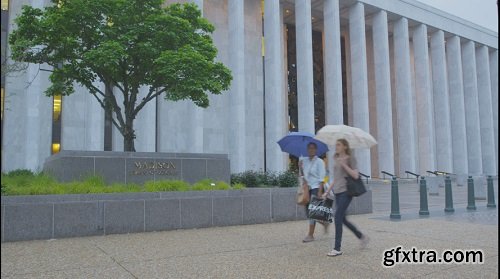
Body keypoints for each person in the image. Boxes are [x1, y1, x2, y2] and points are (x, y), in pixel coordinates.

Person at [322, 139, 369, 256]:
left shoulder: (350, 159)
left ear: (344, 146)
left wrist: (344, 164)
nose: (336, 146)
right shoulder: (336, 159)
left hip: (346, 192)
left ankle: (337, 248)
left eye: (338, 144)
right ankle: (362, 237)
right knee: (343, 219)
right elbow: (336, 178)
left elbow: (355, 175)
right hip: (337, 192)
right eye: (336, 144)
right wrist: (327, 191)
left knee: (337, 217)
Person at [299, 142, 328, 243]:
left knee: (312, 212)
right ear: (307, 150)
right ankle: (323, 222)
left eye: (313, 148)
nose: (311, 150)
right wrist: (301, 168)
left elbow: (322, 178)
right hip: (307, 189)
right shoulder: (304, 161)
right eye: (309, 148)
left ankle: (310, 235)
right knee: (308, 213)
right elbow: (303, 176)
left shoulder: (320, 161)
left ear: (316, 150)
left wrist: (320, 191)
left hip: (316, 188)